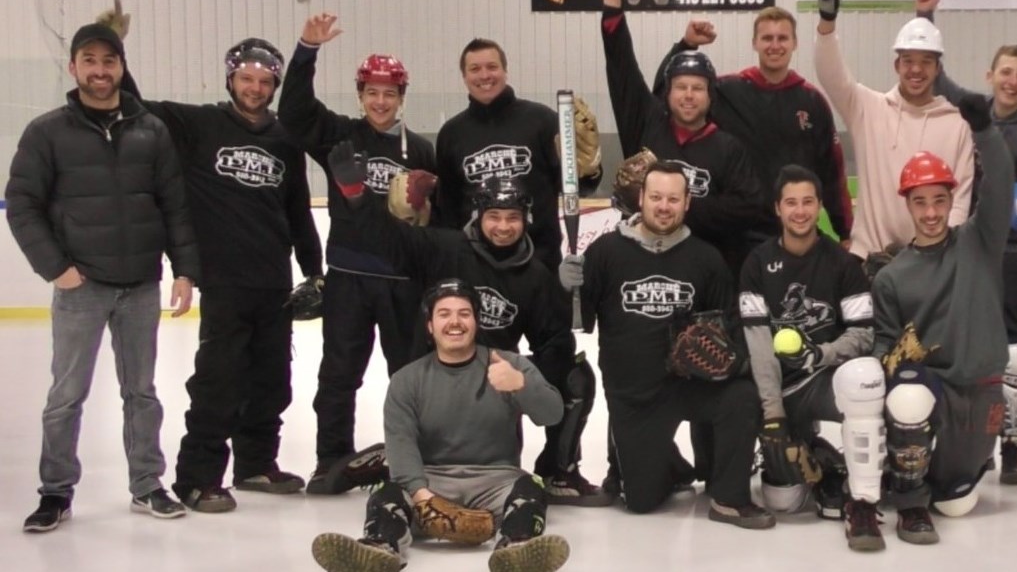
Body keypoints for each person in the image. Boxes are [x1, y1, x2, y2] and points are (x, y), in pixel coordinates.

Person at [114, 16, 324, 511]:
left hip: (273, 282)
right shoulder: (198, 125)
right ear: (230, 79)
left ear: (274, 85)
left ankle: (255, 464)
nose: (255, 87)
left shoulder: (284, 139)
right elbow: (135, 108)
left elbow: (297, 208)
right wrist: (117, 54)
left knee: (272, 380)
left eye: (265, 80)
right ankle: (197, 477)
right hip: (224, 281)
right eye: (246, 78)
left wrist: (314, 270)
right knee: (219, 380)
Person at [326, 147, 609, 506]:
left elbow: (553, 341)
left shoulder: (535, 276)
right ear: (478, 216)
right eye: (494, 216)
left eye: (512, 217)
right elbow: (388, 238)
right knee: (428, 466)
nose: (503, 227)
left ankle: (557, 470)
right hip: (436, 380)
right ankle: (399, 458)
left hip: (492, 385)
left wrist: (526, 383)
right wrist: (356, 195)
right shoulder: (444, 249)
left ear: (527, 219)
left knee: (575, 374)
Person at [7, 22, 198, 531]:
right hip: (81, 287)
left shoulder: (150, 130)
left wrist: (184, 271)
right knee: (66, 395)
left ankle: (147, 485)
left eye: (108, 61)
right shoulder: (47, 132)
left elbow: (174, 205)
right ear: (73, 68)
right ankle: (55, 492)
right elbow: (22, 205)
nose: (99, 70)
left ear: (121, 67)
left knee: (142, 392)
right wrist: (57, 269)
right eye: (89, 61)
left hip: (139, 284)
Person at [311, 280, 570, 572]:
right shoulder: (407, 380)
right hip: (430, 480)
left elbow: (552, 414)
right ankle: (380, 548)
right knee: (388, 494)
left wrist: (521, 386)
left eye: (464, 313)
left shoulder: (508, 364)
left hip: (497, 480)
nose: (455, 322)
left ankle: (517, 545)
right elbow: (401, 443)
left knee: (531, 490)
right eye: (444, 314)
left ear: (476, 321)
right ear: (430, 326)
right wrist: (424, 498)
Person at [560, 160, 772, 529]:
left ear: (687, 202)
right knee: (641, 502)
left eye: (673, 199)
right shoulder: (606, 252)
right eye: (656, 196)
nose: (663, 206)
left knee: (741, 397)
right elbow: (580, 321)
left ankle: (728, 498)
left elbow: (728, 329)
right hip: (635, 397)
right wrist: (566, 288)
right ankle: (668, 464)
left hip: (689, 386)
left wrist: (725, 359)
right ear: (641, 197)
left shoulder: (706, 258)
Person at [278, 12, 437, 495]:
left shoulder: (422, 150)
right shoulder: (339, 135)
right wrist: (306, 50)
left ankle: (410, 460)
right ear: (361, 94)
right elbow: (295, 113)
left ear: (401, 98)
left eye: (390, 94)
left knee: (406, 377)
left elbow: (436, 223)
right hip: (347, 278)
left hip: (401, 282)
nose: (381, 102)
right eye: (372, 92)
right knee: (338, 375)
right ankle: (332, 460)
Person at [916, 0, 1017, 483]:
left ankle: (1016, 447)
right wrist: (926, 16)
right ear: (991, 76)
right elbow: (938, 78)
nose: (1013, 81)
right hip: (975, 255)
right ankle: (977, 440)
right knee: (977, 354)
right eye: (1006, 71)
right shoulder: (972, 114)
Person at [866, 95, 1012, 545]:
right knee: (908, 397)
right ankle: (908, 494)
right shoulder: (891, 277)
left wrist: (984, 128)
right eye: (921, 202)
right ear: (907, 204)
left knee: (955, 502)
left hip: (983, 389)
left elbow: (1003, 183)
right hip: (935, 395)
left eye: (940, 201)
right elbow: (881, 347)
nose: (931, 213)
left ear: (953, 200)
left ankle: (961, 466)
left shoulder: (979, 244)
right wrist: (894, 363)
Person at [595, 0, 773, 278]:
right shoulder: (647, 125)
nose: (688, 95)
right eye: (680, 87)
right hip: (642, 269)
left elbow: (750, 208)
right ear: (668, 91)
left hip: (705, 274)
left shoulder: (728, 148)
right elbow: (621, 68)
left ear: (710, 96)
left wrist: (676, 207)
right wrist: (612, 3)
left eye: (697, 88)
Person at [738, 165, 873, 546]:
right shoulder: (757, 263)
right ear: (777, 209)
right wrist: (773, 412)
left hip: (824, 377)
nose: (800, 211)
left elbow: (863, 335)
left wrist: (820, 354)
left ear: (820, 207)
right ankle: (818, 456)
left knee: (868, 380)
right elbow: (758, 339)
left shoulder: (845, 264)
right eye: (791, 203)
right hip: (779, 387)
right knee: (783, 503)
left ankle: (863, 493)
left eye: (808, 202)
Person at [653, 9, 852, 242]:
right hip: (738, 236)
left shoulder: (813, 101)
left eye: (782, 38)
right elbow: (664, 97)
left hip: (796, 232)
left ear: (795, 43)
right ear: (754, 43)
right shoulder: (727, 91)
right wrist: (685, 45)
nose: (774, 45)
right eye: (767, 38)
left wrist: (845, 232)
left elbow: (833, 172)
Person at [812, 0, 974, 260]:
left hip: (931, 264)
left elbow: (959, 203)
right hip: (869, 260)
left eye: (926, 61)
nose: (916, 69)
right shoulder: (868, 109)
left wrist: (940, 257)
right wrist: (827, 23)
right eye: (908, 60)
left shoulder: (957, 124)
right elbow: (831, 75)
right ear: (896, 65)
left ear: (937, 69)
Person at [435, 38, 602, 272]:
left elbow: (578, 189)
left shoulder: (543, 121)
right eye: (475, 69)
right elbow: (447, 210)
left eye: (492, 67)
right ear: (464, 77)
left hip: (540, 264)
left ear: (505, 71)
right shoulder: (451, 134)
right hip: (475, 266)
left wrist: (589, 170)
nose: (484, 75)